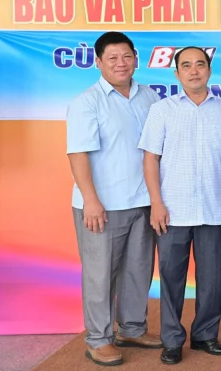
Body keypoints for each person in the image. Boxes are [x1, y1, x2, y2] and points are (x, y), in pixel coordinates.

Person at [66, 31, 163, 367]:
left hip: (142, 200)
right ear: (98, 62)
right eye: (112, 58)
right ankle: (98, 339)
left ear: (136, 58)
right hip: (102, 205)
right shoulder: (87, 102)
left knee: (138, 269)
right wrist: (90, 200)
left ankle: (132, 329)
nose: (121, 63)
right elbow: (78, 153)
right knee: (100, 274)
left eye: (126, 56)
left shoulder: (149, 96)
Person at [138, 47, 221, 365]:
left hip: (214, 207)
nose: (194, 71)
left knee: (212, 278)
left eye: (200, 64)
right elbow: (150, 159)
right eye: (186, 65)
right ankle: (172, 340)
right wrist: (156, 202)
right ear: (176, 73)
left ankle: (206, 335)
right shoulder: (162, 110)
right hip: (172, 209)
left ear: (209, 70)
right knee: (170, 277)